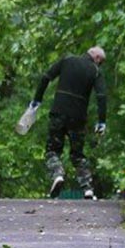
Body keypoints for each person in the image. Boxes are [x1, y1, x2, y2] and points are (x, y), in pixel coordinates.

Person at [29, 45, 108, 197]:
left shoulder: (67, 60)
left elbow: (46, 77)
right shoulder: (95, 71)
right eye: (101, 62)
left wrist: (37, 100)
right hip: (78, 118)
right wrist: (101, 121)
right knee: (77, 155)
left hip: (58, 112)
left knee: (52, 150)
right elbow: (101, 97)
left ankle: (58, 173)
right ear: (97, 58)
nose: (100, 65)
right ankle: (88, 188)